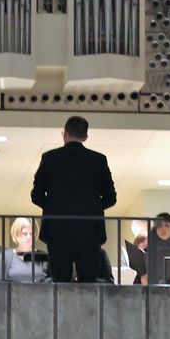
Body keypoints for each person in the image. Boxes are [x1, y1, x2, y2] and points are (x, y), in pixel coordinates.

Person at [30, 116, 117, 283]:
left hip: (57, 228)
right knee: (89, 280)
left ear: (65, 134)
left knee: (59, 278)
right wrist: (93, 209)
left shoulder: (50, 158)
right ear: (85, 137)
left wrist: (52, 208)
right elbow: (110, 197)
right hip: (90, 229)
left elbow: (36, 195)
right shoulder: (98, 160)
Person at [135, 212, 170, 286]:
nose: (163, 229)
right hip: (153, 295)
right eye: (159, 226)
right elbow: (135, 285)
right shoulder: (147, 253)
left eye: (167, 225)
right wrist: (141, 282)